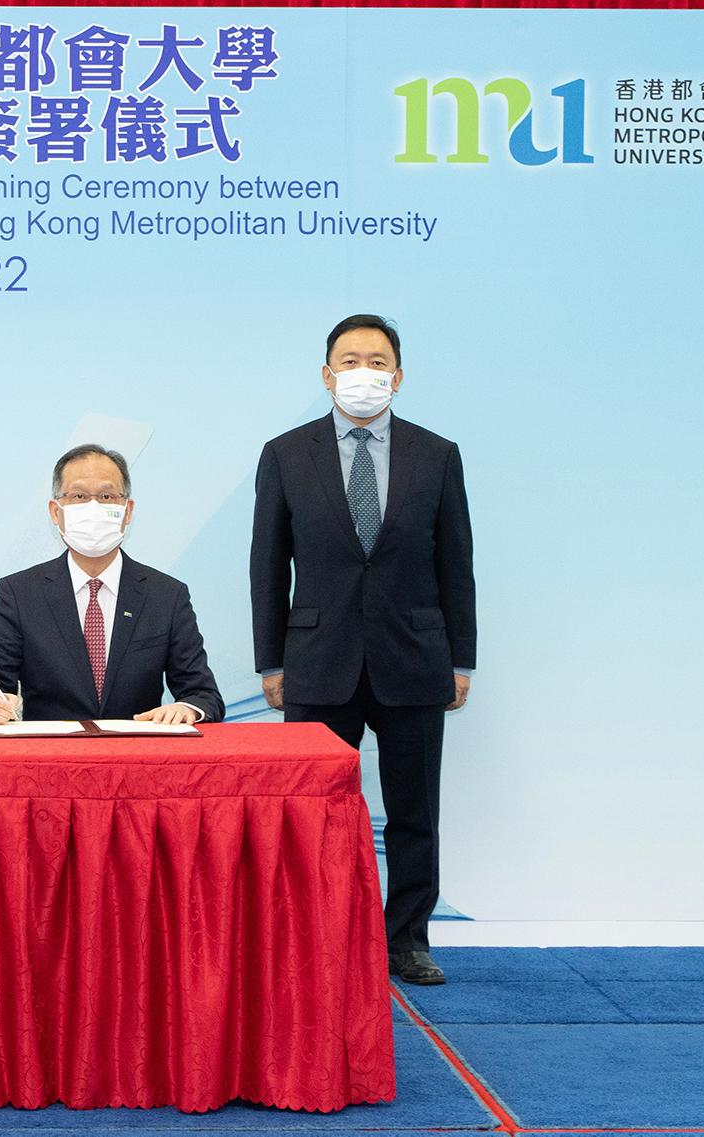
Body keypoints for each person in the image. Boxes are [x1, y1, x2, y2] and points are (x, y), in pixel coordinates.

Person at [249, 313, 475, 986]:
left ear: (397, 377)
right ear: (327, 375)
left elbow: (456, 565)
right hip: (319, 660)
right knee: (315, 809)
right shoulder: (286, 454)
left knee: (414, 809)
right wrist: (272, 661)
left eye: (376, 361)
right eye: (349, 360)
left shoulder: (437, 454)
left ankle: (406, 938)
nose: (363, 372)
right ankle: (318, 936)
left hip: (414, 657)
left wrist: (460, 658)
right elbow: (268, 564)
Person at [0, 444, 223, 726]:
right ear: (55, 511)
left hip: (139, 759)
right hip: (50, 759)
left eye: (106, 496)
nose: (93, 507)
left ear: (127, 510)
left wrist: (187, 708)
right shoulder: (19, 593)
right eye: (78, 496)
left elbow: (203, 695)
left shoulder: (167, 595)